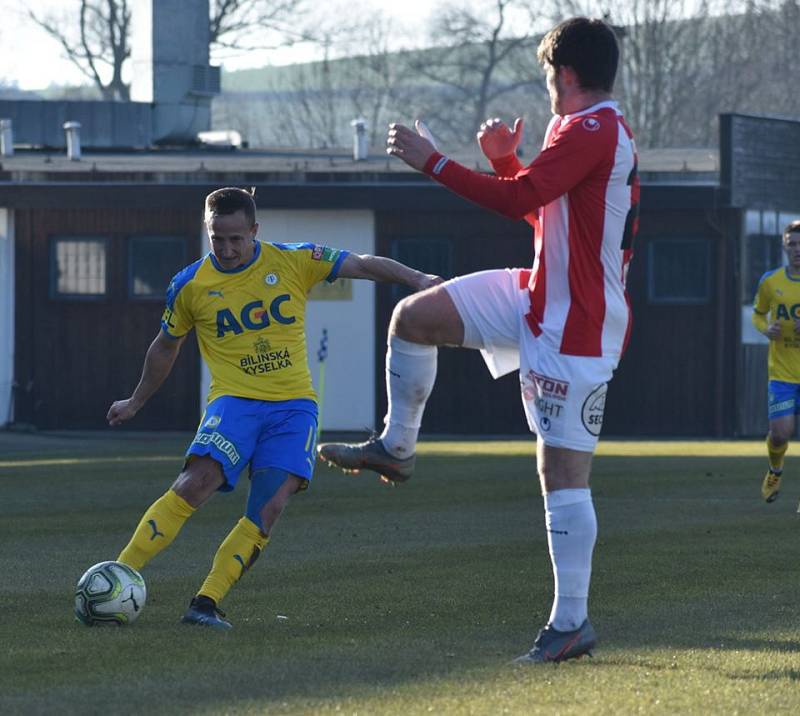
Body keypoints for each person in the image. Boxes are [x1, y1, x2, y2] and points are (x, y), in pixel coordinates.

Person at [318, 17, 639, 662]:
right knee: (413, 317)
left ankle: (571, 623)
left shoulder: (595, 127)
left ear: (566, 75)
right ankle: (396, 449)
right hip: (536, 293)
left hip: (577, 326)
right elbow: (538, 205)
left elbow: (519, 197)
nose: (548, 85)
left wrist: (433, 162)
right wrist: (501, 161)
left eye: (550, 74)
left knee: (561, 473)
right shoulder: (575, 129)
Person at [107, 186, 441, 629]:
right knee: (196, 482)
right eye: (216, 238)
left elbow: (361, 264)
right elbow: (165, 346)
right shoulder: (189, 285)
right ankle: (119, 573)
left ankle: (205, 603)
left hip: (294, 408)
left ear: (254, 230)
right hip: (234, 403)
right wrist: (135, 400)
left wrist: (418, 280)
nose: (226, 249)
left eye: (235, 239)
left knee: (270, 506)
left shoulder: (294, 259)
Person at [752, 220, 800, 504]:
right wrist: (764, 329)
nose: (797, 250)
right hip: (782, 374)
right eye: (792, 245)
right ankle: (775, 470)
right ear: (784, 247)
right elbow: (758, 313)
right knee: (780, 434)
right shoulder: (771, 281)